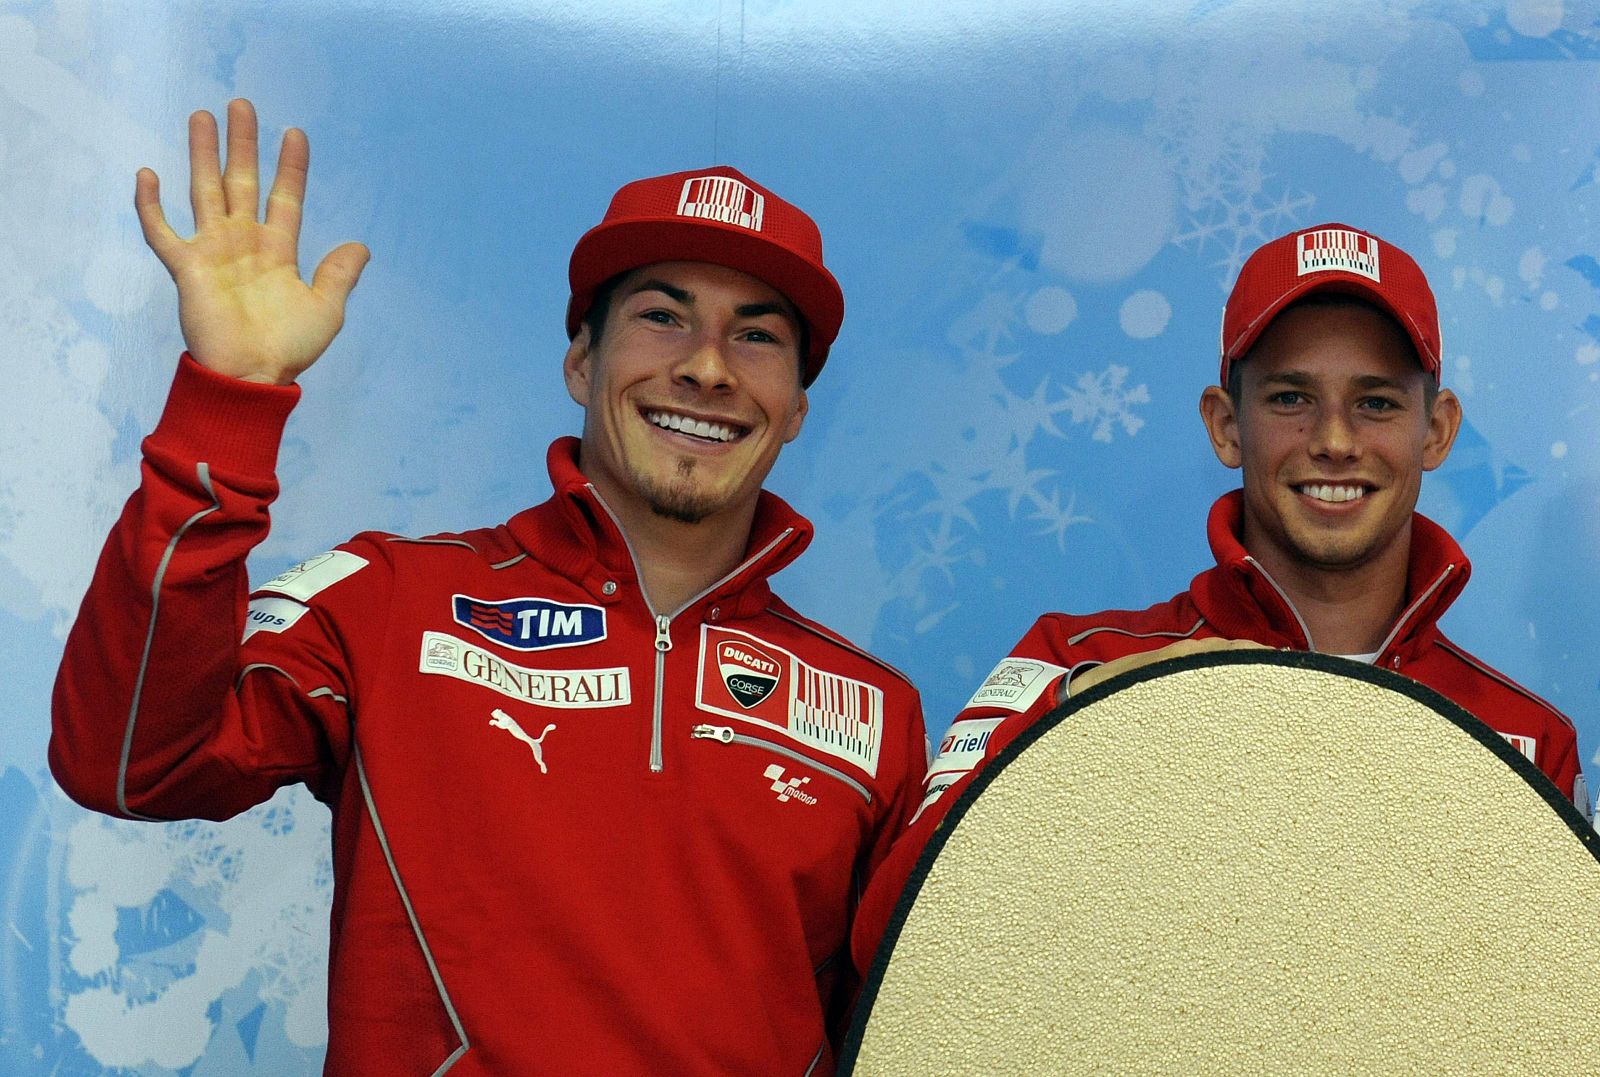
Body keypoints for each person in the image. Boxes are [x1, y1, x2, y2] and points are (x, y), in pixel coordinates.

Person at [50, 99, 926, 1075]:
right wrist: (233, 396)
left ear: (795, 407)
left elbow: (899, 1033)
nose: (707, 367)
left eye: (756, 336)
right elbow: (132, 764)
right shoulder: (386, 600)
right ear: (581, 362)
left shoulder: (876, 712)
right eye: (661, 317)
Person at [849, 221, 1583, 978]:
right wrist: (1081, 726)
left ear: (1438, 430)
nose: (1334, 440)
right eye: (1291, 397)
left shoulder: (1525, 738)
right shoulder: (1073, 664)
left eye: (1376, 402)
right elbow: (893, 950)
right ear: (1226, 425)